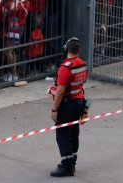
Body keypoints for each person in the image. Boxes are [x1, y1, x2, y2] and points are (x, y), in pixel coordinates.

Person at [49, 37, 88, 177]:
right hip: (79, 101)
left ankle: (67, 165)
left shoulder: (65, 68)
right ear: (79, 50)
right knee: (73, 131)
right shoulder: (83, 64)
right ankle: (72, 160)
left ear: (66, 50)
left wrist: (54, 109)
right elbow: (83, 81)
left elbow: (60, 91)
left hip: (67, 104)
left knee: (63, 133)